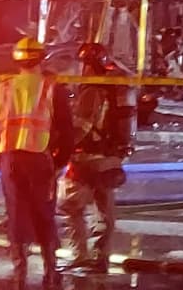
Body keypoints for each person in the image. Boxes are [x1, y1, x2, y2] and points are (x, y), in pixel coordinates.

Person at [0, 37, 73, 290]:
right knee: (44, 212)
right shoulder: (52, 88)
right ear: (41, 59)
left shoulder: (3, 88)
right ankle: (50, 269)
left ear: (17, 60)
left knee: (16, 213)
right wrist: (60, 161)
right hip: (41, 158)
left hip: (10, 159)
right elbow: (67, 129)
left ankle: (19, 271)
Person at [60, 42, 133, 271]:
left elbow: (82, 126)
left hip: (86, 158)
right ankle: (102, 257)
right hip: (110, 158)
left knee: (71, 207)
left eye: (84, 65)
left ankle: (80, 255)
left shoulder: (90, 91)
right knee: (105, 211)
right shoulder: (113, 89)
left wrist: (63, 148)